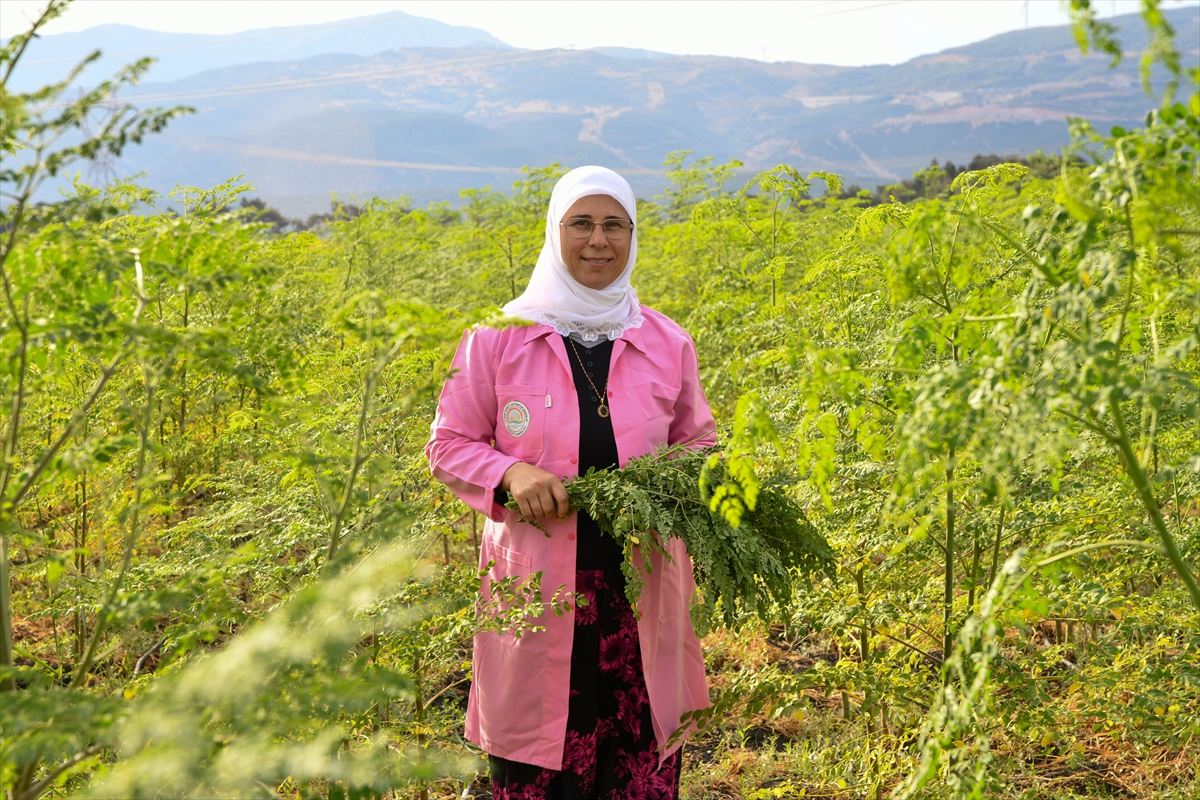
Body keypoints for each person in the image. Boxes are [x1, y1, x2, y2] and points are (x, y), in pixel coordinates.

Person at [426, 165, 716, 799]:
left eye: (615, 225)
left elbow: (700, 446)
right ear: (554, 231)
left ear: (633, 235)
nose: (598, 240)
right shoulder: (497, 338)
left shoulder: (666, 342)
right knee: (539, 767)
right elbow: (448, 445)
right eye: (581, 223)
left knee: (637, 766)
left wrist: (667, 486)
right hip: (540, 593)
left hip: (640, 591)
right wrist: (510, 472)